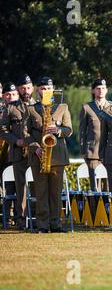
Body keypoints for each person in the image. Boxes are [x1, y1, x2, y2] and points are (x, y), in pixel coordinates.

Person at [23, 77, 72, 233]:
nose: (45, 91)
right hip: (39, 156)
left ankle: (56, 224)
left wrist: (57, 131)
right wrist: (34, 147)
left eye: (48, 88)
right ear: (38, 90)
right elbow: (25, 133)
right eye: (42, 88)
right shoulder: (31, 109)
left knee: (55, 193)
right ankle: (43, 225)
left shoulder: (62, 107)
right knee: (41, 192)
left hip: (57, 156)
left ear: (53, 90)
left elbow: (69, 130)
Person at [0, 82, 26, 229]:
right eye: (7, 94)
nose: (10, 97)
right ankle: (7, 218)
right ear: (3, 96)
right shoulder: (3, 109)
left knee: (16, 186)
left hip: (14, 152)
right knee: (8, 188)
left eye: (13, 94)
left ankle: (19, 217)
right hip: (5, 155)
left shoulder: (20, 107)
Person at [79, 78, 112, 191]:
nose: (101, 91)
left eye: (103, 88)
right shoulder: (87, 108)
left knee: (109, 185)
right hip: (93, 151)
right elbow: (82, 131)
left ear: (106, 90)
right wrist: (83, 150)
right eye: (98, 88)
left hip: (109, 151)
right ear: (93, 91)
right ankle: (94, 208)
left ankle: (110, 208)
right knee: (95, 187)